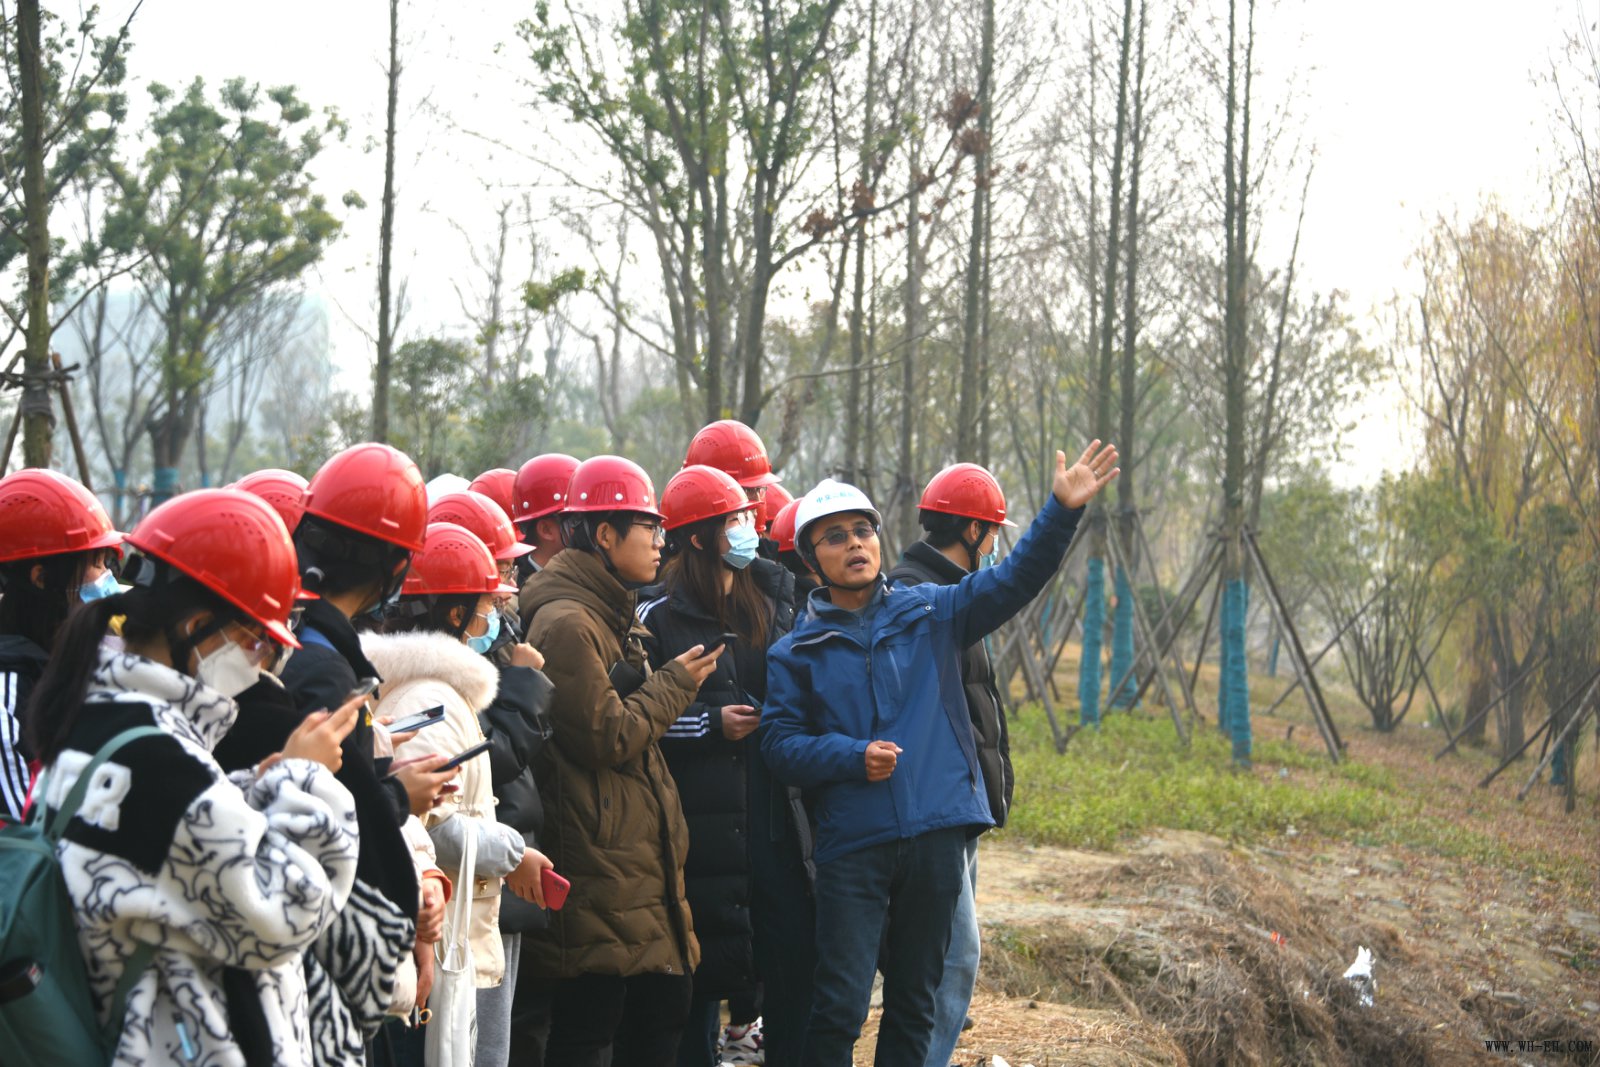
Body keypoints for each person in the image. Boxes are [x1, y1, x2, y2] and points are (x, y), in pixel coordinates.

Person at [762, 442, 1119, 1067]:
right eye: (835, 537)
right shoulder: (796, 651)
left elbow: (1014, 578)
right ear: (811, 559)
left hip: (935, 836)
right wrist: (852, 757)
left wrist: (1060, 512)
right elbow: (779, 746)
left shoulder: (932, 612)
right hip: (853, 846)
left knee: (915, 1000)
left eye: (863, 530)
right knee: (840, 1005)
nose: (855, 544)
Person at [20, 487, 362, 1067]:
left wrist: (255, 783)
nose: (261, 661)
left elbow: (171, 850)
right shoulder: (165, 765)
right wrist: (304, 779)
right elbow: (288, 910)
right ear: (198, 626)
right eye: (256, 640)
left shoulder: (94, 722)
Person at [519, 455, 723, 1067]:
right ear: (605, 534)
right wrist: (674, 684)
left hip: (627, 864)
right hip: (596, 864)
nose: (662, 541)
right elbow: (605, 736)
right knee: (593, 1032)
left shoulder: (609, 609)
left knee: (658, 1017)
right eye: (649, 527)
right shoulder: (567, 623)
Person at [278, 442, 453, 1066]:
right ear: (398, 565)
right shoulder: (324, 669)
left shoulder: (313, 649)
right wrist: (398, 795)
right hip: (329, 956)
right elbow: (340, 813)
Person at [637, 465, 807, 1067]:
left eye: (747, 517)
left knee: (781, 958)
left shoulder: (770, 598)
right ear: (699, 537)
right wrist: (710, 724)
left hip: (768, 810)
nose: (748, 529)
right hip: (694, 820)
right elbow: (638, 721)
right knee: (695, 971)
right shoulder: (657, 616)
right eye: (733, 520)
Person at [368, 521, 554, 1066]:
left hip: (458, 924)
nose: (495, 614)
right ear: (455, 614)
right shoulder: (427, 697)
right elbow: (428, 824)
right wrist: (513, 853)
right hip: (443, 930)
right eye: (486, 603)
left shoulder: (440, 690)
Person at [885, 463, 1019, 1067]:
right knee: (952, 956)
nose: (994, 545)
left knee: (945, 957)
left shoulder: (951, 589)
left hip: (963, 803)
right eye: (991, 532)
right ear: (971, 530)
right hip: (935, 807)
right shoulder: (923, 596)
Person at [423, 491, 557, 1066]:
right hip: (469, 882)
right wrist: (525, 687)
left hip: (492, 875)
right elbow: (490, 761)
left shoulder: (490, 649)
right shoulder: (431, 685)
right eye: (495, 576)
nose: (505, 591)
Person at [0, 469, 124, 823]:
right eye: (95, 564)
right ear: (41, 578)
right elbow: (26, 834)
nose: (107, 580)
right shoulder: (7, 694)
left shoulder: (67, 663)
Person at [511, 453, 581, 592]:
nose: (589, 529)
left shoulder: (589, 578)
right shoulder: (514, 595)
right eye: (577, 520)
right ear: (546, 530)